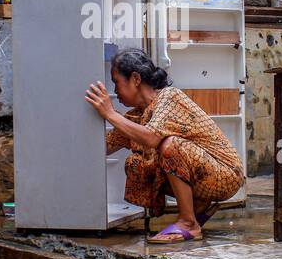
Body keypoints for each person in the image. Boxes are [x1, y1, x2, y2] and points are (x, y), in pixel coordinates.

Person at [84, 48, 245, 244]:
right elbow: (103, 147)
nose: (115, 91)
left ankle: (188, 223)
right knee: (135, 163)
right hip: (205, 177)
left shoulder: (169, 97)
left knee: (169, 145)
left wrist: (110, 114)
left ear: (135, 79)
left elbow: (152, 138)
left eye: (117, 82)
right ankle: (198, 206)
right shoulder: (137, 115)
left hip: (226, 175)